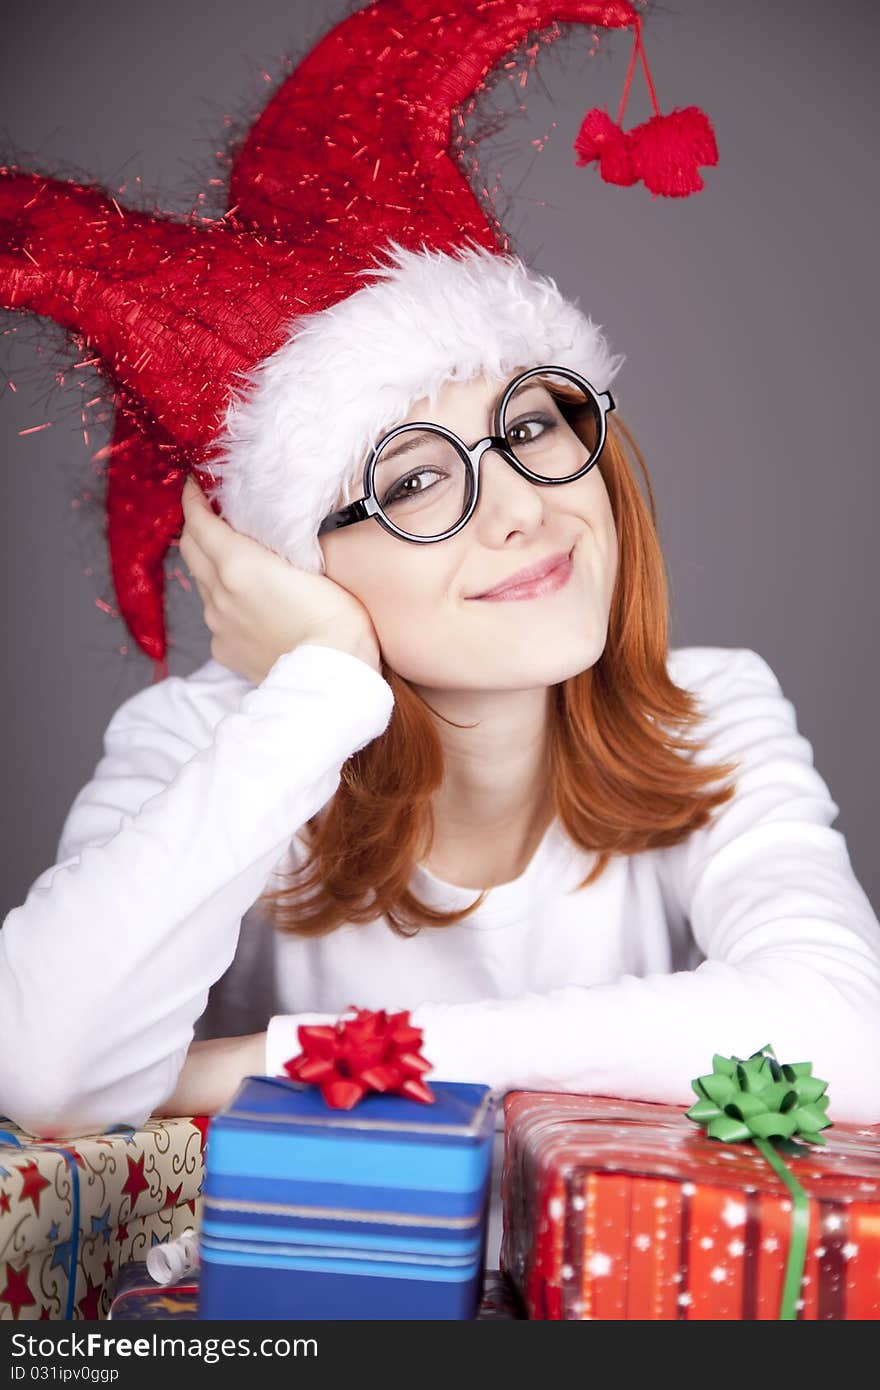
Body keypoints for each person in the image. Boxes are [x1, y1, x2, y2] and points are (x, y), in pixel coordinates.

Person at [1, 5, 879, 1274]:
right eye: (412, 483)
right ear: (289, 561)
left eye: (532, 421)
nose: (529, 504)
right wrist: (316, 688)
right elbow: (48, 1069)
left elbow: (848, 1037)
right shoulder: (209, 740)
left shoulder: (713, 705)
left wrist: (271, 1063)